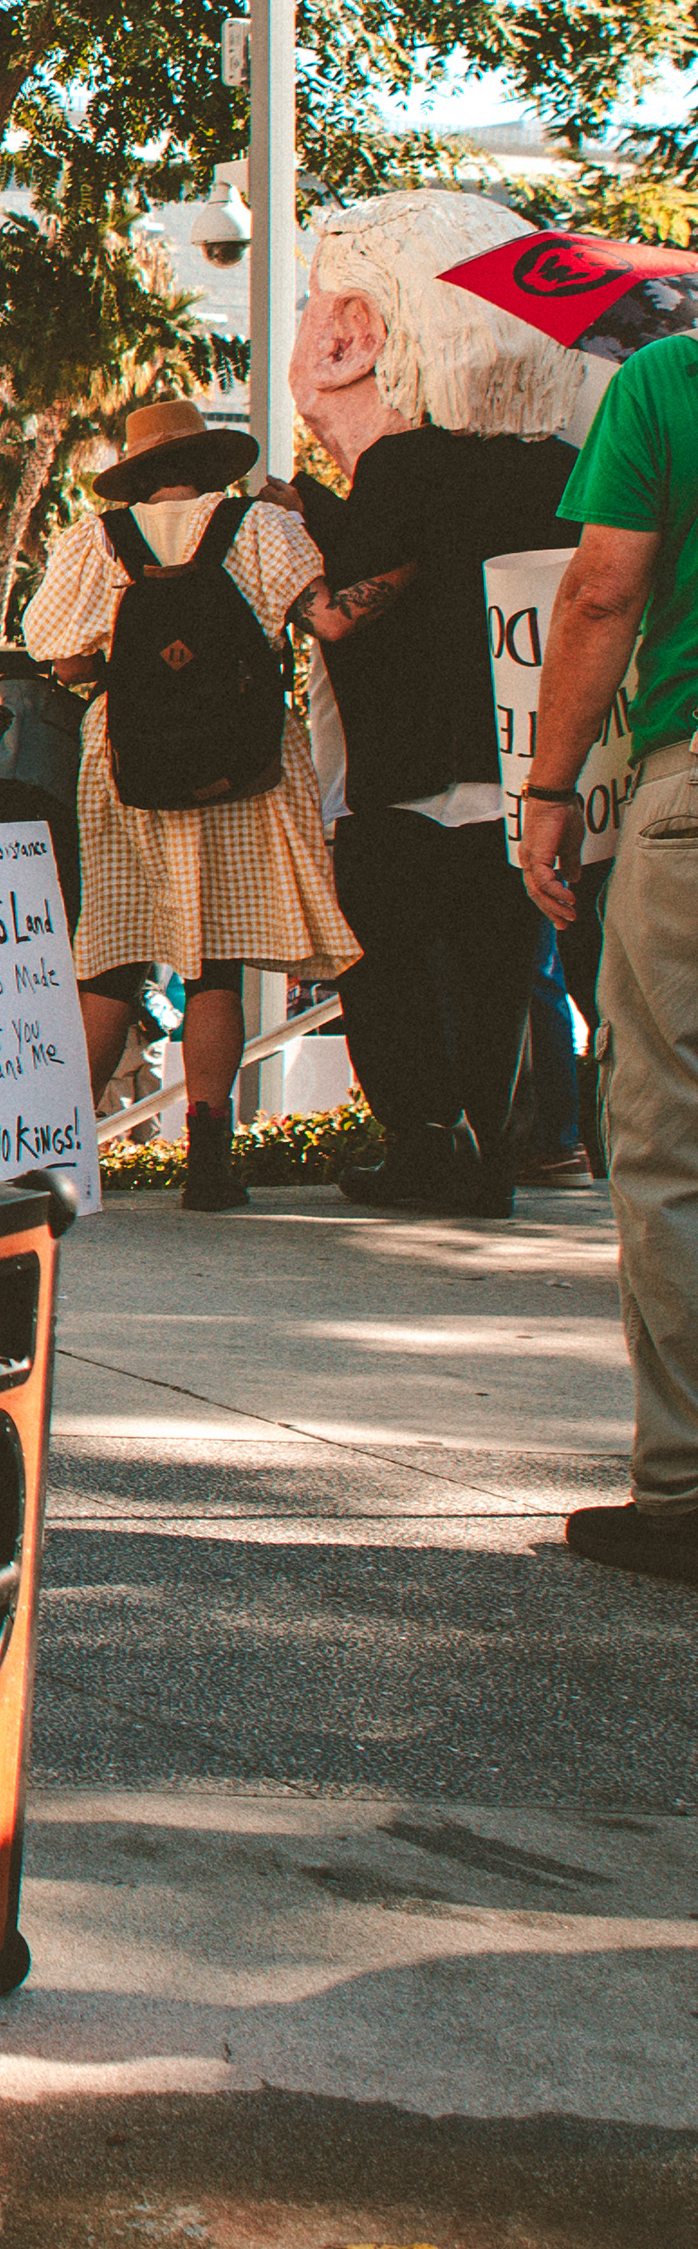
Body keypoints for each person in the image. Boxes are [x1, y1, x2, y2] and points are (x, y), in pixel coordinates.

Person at [286, 200, 589, 1220]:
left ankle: (423, 1143)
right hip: (521, 762)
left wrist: (296, 534)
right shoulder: (560, 464)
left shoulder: (404, 461)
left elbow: (349, 609)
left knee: (387, 967)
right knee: (499, 974)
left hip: (408, 763)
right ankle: (494, 1151)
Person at [22, 384, 351, 1212]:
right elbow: (329, 622)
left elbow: (63, 659)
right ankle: (209, 1162)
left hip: (127, 761)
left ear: (136, 473)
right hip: (244, 761)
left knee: (113, 957)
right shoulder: (264, 528)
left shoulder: (93, 540)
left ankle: (58, 1159)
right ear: (207, 462)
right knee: (213, 964)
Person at [522, 331, 698, 1578]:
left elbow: (600, 592)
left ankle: (686, 1491)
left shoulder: (671, 382)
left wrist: (549, 787)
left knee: (671, 1137)